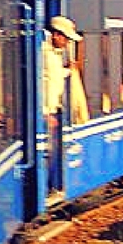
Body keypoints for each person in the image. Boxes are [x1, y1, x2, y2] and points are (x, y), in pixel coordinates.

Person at [42, 15, 81, 194]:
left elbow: (54, 76)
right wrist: (46, 113)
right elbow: (40, 83)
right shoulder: (44, 53)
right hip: (45, 113)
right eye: (66, 39)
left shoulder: (54, 54)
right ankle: (47, 187)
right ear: (57, 35)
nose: (67, 43)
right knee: (47, 150)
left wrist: (69, 70)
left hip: (52, 110)